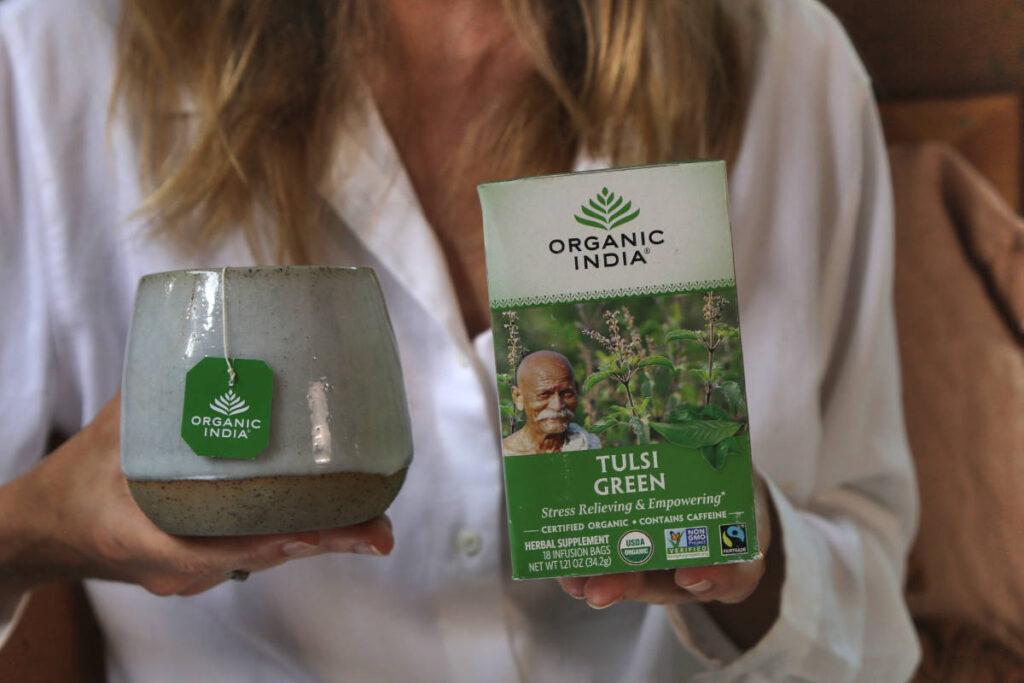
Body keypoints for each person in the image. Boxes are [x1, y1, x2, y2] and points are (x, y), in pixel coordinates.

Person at [0, 0, 921, 680]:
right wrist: (42, 525)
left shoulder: (786, 61)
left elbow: (878, 621)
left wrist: (753, 559)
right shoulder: (55, 53)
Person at [502, 350, 601, 455]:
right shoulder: (506, 455)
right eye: (544, 395)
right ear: (518, 397)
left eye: (566, 393)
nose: (558, 406)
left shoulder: (588, 445)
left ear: (576, 390)